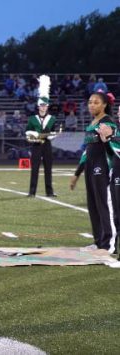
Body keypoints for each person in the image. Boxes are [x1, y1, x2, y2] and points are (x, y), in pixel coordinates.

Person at [69, 91, 116, 252]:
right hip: (90, 167)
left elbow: (113, 135)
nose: (92, 105)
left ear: (104, 105)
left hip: (102, 166)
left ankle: (108, 244)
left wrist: (111, 135)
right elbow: (86, 152)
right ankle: (98, 242)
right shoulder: (91, 124)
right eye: (90, 102)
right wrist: (77, 174)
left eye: (96, 102)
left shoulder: (107, 121)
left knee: (103, 205)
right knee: (93, 205)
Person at [25, 75, 57, 198]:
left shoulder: (52, 119)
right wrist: (33, 136)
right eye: (41, 105)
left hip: (47, 145)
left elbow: (53, 132)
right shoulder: (32, 119)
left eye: (45, 105)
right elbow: (27, 132)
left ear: (47, 107)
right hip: (36, 145)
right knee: (35, 169)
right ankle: (32, 192)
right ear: (38, 106)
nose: (43, 107)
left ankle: (49, 192)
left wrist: (51, 136)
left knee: (48, 168)